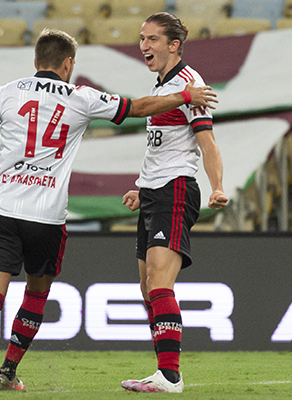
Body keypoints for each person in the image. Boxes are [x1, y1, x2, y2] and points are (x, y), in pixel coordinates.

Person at [0, 28, 218, 393]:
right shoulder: (80, 97)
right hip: (45, 215)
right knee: (35, 293)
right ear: (68, 64)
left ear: (36, 61)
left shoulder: (7, 91)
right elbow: (138, 108)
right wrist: (185, 95)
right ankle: (8, 371)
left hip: (1, 207)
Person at [120, 12, 229, 393]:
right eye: (141, 38)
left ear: (174, 45)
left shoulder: (190, 85)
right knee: (147, 290)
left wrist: (216, 186)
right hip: (154, 191)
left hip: (176, 189)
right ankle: (163, 371)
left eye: (151, 39)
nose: (144, 45)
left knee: (159, 282)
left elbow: (207, 142)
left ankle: (170, 375)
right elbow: (160, 147)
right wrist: (141, 186)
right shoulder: (165, 85)